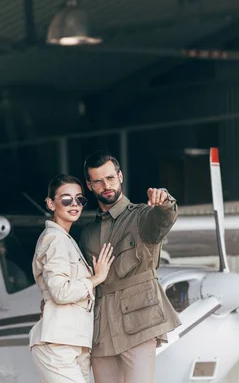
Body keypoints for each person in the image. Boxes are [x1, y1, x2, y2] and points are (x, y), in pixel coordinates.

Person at [79, 150, 181, 383]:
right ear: (89, 185)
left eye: (110, 178)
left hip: (138, 324)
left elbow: (164, 219)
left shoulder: (142, 217)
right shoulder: (87, 233)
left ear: (120, 176)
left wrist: (164, 200)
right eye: (98, 181)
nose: (106, 185)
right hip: (100, 331)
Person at [29, 173, 115, 383]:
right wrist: (97, 278)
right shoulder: (54, 239)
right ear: (51, 203)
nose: (74, 204)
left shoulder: (66, 240)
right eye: (66, 199)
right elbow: (60, 292)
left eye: (80, 199)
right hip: (58, 343)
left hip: (75, 342)